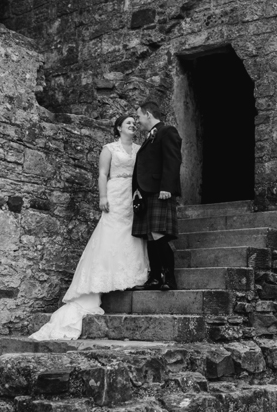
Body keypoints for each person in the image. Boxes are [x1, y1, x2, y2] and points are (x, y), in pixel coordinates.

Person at [30, 116, 149, 340]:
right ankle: (102, 278)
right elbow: (103, 174)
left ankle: (130, 275)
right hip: (114, 192)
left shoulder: (139, 149)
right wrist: (103, 197)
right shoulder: (109, 149)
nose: (132, 125)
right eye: (128, 123)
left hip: (132, 194)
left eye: (134, 122)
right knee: (110, 234)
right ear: (118, 127)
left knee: (131, 233)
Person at [132, 101, 182, 291]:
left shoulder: (167, 131)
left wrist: (167, 187)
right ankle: (154, 277)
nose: (138, 120)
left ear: (148, 114)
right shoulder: (149, 137)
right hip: (146, 192)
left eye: (139, 116)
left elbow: (173, 159)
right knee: (150, 236)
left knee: (158, 234)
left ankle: (169, 278)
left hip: (160, 191)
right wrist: (137, 190)